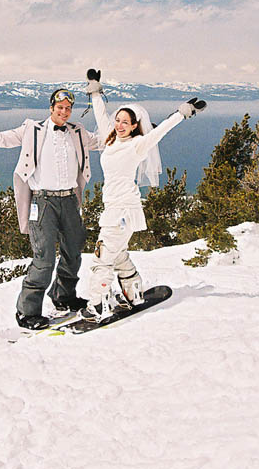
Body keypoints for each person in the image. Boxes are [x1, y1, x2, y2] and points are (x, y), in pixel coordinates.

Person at [0, 89, 102, 330]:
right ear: (51, 108)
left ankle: (64, 296)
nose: (64, 112)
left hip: (71, 200)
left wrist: (137, 132)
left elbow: (104, 141)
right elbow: (2, 139)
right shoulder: (32, 129)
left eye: (68, 108)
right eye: (59, 107)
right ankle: (27, 312)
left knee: (73, 252)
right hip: (42, 203)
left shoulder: (78, 132)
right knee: (44, 259)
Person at [81, 69, 205, 320]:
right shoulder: (111, 140)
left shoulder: (137, 145)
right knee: (119, 255)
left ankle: (98, 305)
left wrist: (182, 113)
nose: (119, 125)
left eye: (126, 122)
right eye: (119, 121)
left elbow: (161, 132)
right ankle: (133, 293)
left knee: (102, 258)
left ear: (135, 126)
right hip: (115, 209)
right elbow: (101, 114)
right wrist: (95, 89)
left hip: (122, 211)